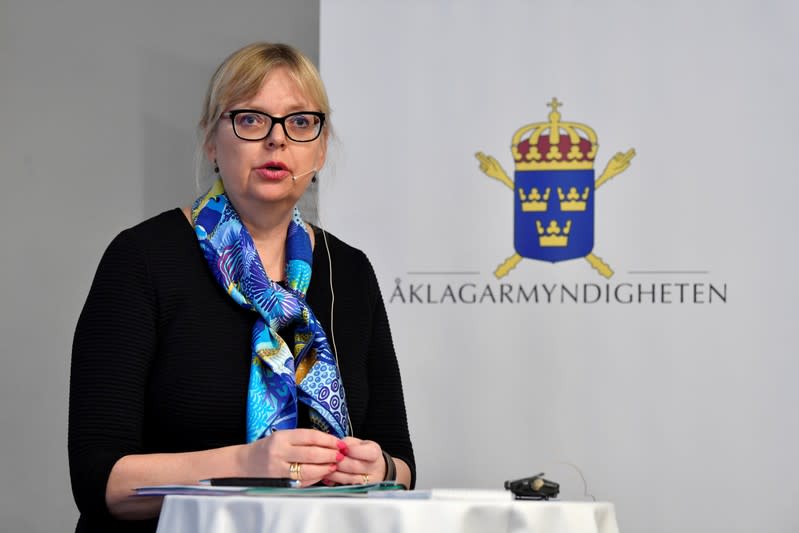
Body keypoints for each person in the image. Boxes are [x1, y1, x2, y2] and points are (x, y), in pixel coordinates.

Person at [68, 42, 415, 532]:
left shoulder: (350, 271)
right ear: (212, 141)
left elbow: (402, 465)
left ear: (319, 147)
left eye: (299, 122)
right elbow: (99, 480)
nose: (277, 141)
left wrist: (376, 468)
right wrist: (248, 466)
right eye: (251, 120)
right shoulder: (142, 258)